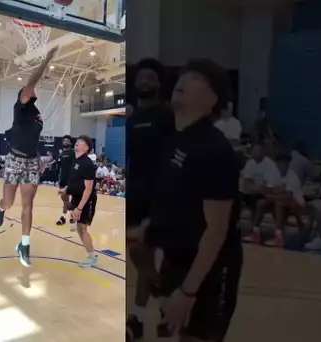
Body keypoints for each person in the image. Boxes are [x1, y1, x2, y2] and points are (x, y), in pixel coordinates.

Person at [129, 59, 242, 342]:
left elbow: (217, 232)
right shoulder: (174, 142)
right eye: (184, 75)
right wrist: (147, 229)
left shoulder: (214, 149)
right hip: (176, 260)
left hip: (209, 272)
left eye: (197, 79)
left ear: (213, 100)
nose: (184, 80)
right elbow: (177, 204)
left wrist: (188, 291)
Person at [0, 46, 58, 268]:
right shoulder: (20, 106)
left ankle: (24, 245)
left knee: (28, 204)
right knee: (10, 202)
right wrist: (47, 60)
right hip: (14, 160)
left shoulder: (37, 113)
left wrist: (40, 158)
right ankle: (1, 208)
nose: (32, 91)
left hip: (31, 161)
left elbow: (32, 139)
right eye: (29, 90)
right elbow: (32, 82)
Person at [126, 58, 175, 340]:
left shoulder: (167, 115)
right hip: (135, 195)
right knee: (139, 257)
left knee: (150, 255)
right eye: (141, 77)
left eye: (150, 77)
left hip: (160, 197)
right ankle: (168, 300)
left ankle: (138, 318)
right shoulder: (131, 121)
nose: (145, 81)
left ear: (158, 83)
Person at [58, 135, 98, 266]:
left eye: (81, 142)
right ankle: (90, 254)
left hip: (86, 200)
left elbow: (88, 189)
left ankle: (92, 257)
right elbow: (75, 180)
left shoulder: (88, 164)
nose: (77, 142)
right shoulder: (76, 161)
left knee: (82, 228)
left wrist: (79, 208)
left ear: (86, 148)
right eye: (77, 141)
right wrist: (66, 189)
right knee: (80, 229)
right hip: (76, 197)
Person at [251, 154, 305, 247]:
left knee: (278, 203)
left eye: (284, 164)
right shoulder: (274, 174)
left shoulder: (293, 176)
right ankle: (255, 232)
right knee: (260, 203)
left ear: (288, 164)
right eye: (280, 163)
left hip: (297, 203)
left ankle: (278, 236)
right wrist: (270, 191)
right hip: (280, 200)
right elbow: (269, 190)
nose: (282, 166)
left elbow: (288, 195)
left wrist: (272, 194)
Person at [241, 143, 281, 243]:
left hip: (272, 195)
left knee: (259, 203)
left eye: (258, 150)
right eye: (254, 150)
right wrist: (258, 188)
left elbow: (268, 189)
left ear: (263, 152)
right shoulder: (250, 163)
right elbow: (246, 186)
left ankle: (255, 232)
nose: (255, 152)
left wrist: (255, 187)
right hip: (254, 193)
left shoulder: (269, 165)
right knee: (236, 198)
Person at [56, 135, 75, 227]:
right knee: (65, 200)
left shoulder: (74, 153)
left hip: (72, 180)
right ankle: (70, 216)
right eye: (64, 140)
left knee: (73, 200)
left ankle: (64, 217)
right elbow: (60, 169)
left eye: (67, 140)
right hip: (63, 180)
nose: (65, 141)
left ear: (71, 143)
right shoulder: (61, 154)